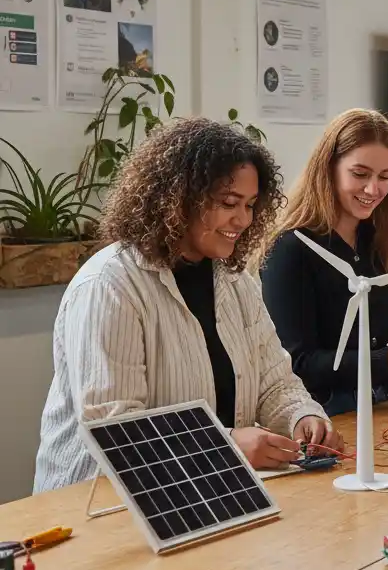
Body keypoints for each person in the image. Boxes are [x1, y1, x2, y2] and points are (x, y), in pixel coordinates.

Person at [34, 118, 341, 493]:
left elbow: (273, 382)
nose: (243, 220)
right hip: (95, 505)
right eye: (229, 203)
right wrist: (227, 445)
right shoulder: (110, 285)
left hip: (204, 488)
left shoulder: (234, 281)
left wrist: (301, 417)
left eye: (250, 205)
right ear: (178, 200)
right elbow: (116, 429)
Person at [261, 109, 388, 415]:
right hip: (324, 419)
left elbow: (386, 336)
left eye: (385, 177)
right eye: (360, 174)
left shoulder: (380, 242)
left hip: (385, 408)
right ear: (328, 168)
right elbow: (297, 364)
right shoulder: (290, 249)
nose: (373, 189)